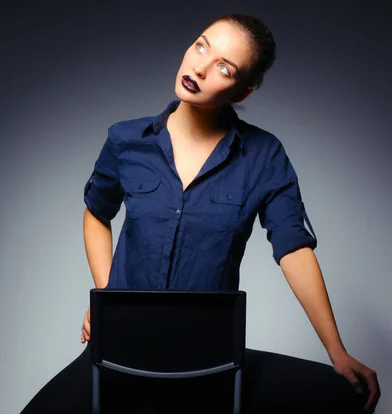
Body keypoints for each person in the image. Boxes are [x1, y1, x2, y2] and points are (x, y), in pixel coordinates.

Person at [21, 13, 380, 413]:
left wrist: (338, 351)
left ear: (241, 92)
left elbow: (294, 249)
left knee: (344, 396)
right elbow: (95, 214)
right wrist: (109, 299)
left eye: (224, 68)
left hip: (208, 355)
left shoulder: (263, 155)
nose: (199, 67)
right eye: (201, 46)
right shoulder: (125, 141)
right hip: (123, 344)